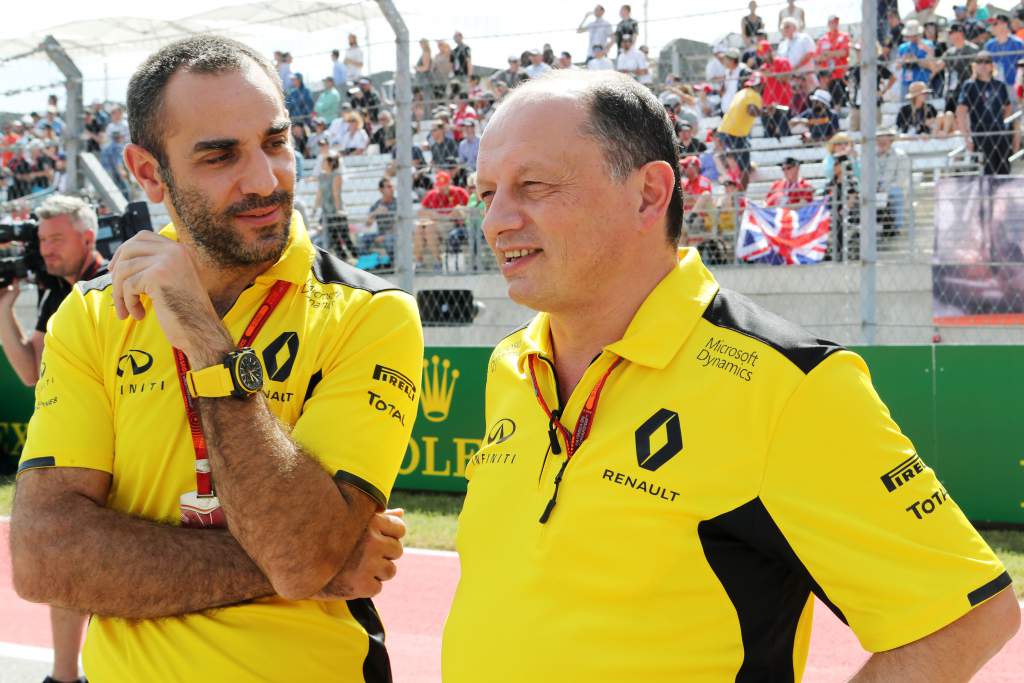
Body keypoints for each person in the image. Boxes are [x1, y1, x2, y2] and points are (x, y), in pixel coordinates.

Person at [441, 67, 1020, 683]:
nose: (495, 221)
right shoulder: (512, 365)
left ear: (648, 193)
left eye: (533, 186)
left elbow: (965, 617)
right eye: (486, 193)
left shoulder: (785, 384)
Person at [10, 34, 423, 682]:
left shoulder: (369, 313)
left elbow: (302, 549)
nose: (264, 179)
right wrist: (306, 564)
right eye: (220, 155)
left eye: (276, 142)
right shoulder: (91, 314)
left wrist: (207, 339)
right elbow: (46, 556)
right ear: (149, 173)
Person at [0, 195, 105, 683]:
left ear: (88, 238)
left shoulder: (115, 282)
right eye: (42, 240)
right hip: (76, 451)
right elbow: (30, 373)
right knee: (65, 563)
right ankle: (65, 677)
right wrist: (3, 309)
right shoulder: (52, 295)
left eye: (56, 239)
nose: (45, 250)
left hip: (122, 448)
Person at [958, 51, 1017, 175]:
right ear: (974, 65)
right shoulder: (969, 85)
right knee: (986, 173)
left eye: (987, 61)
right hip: (980, 133)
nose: (983, 65)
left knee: (1004, 170)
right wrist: (966, 137)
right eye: (979, 61)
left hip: (999, 132)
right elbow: (961, 111)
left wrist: (1003, 123)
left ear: (992, 65)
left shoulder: (999, 85)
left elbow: (1007, 107)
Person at [717, 71, 763, 190]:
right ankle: (741, 196)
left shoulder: (741, 92)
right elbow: (751, 109)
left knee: (737, 165)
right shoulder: (755, 95)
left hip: (724, 131)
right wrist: (764, 113)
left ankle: (735, 193)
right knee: (744, 169)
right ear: (762, 85)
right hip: (735, 134)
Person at [417, 170, 468, 268]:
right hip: (438, 224)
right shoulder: (432, 194)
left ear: (449, 183)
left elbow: (469, 209)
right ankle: (434, 261)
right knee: (422, 228)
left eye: (443, 185)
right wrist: (438, 215)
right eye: (439, 185)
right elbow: (420, 212)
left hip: (454, 226)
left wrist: (458, 211)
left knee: (429, 227)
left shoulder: (459, 192)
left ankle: (437, 261)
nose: (441, 187)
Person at [314, 151, 357, 261]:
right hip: (327, 211)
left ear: (330, 163)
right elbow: (319, 193)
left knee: (344, 236)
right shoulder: (322, 176)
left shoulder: (336, 176)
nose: (322, 163)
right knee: (333, 238)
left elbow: (336, 193)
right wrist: (315, 208)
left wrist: (338, 210)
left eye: (324, 161)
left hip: (336, 210)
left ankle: (356, 257)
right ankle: (344, 260)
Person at [758, 41, 793, 139]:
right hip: (768, 104)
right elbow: (761, 86)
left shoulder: (782, 62)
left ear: (770, 51)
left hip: (783, 102)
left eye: (764, 53)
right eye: (761, 55)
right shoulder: (763, 68)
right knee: (768, 132)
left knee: (784, 130)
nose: (763, 57)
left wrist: (772, 74)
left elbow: (787, 78)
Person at [816, 15, 851, 107]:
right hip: (826, 78)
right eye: (832, 22)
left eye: (836, 22)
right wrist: (834, 53)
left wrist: (827, 54)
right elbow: (818, 58)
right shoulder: (822, 39)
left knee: (839, 103)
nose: (834, 24)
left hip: (839, 75)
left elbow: (844, 52)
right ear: (828, 24)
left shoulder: (844, 36)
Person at [360, 177, 397, 260]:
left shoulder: (397, 203)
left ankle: (392, 264)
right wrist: (375, 212)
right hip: (380, 233)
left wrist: (384, 236)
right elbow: (367, 224)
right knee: (363, 239)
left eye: (392, 186)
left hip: (394, 234)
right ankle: (368, 263)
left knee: (389, 240)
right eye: (388, 187)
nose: (392, 189)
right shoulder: (377, 204)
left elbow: (399, 226)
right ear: (381, 190)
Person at [897, 20, 936, 99]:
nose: (913, 38)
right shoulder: (903, 47)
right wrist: (904, 59)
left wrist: (916, 60)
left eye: (915, 35)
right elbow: (897, 66)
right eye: (910, 35)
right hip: (906, 84)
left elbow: (932, 66)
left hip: (922, 83)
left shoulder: (927, 45)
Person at [984, 14, 1024, 90]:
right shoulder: (989, 45)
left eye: (995, 24)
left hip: (1015, 86)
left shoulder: (1018, 43)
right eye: (991, 24)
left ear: (1004, 25)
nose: (992, 27)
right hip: (995, 88)